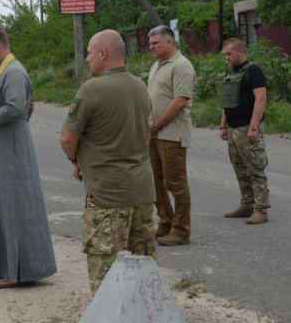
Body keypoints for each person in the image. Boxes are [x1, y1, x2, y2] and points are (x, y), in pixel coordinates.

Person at [60, 29, 156, 294]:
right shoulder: (140, 86)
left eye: (89, 53)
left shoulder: (92, 89)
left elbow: (68, 138)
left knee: (106, 275)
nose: (88, 59)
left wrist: (74, 159)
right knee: (142, 267)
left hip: (107, 196)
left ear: (103, 53)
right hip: (142, 193)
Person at [0, 27, 57, 288]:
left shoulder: (13, 71)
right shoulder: (2, 71)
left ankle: (18, 271)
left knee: (13, 211)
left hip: (11, 157)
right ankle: (3, 267)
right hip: (0, 153)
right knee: (0, 211)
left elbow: (16, 109)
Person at [146, 26, 195, 246]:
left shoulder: (182, 66)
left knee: (175, 183)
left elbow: (179, 101)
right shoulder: (157, 65)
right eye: (150, 43)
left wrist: (156, 124)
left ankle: (181, 229)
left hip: (171, 134)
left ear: (169, 42)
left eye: (155, 43)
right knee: (155, 180)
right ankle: (165, 221)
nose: (151, 47)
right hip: (154, 134)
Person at [219, 38, 271, 225]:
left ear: (241, 51)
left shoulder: (253, 70)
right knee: (240, 169)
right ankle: (247, 204)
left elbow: (261, 99)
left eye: (229, 54)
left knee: (255, 169)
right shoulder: (230, 72)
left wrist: (253, 127)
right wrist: (223, 125)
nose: (227, 57)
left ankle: (261, 209)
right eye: (225, 54)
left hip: (247, 127)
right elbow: (226, 101)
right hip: (233, 128)